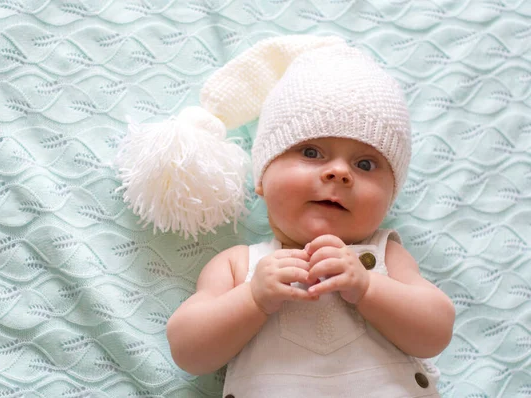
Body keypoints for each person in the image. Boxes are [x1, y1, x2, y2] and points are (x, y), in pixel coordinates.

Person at [161, 35, 455, 397]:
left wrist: (367, 286)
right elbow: (188, 352)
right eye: (312, 152)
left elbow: (436, 332)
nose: (339, 173)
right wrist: (252, 298)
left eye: (365, 164)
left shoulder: (384, 257)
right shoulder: (239, 265)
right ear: (263, 178)